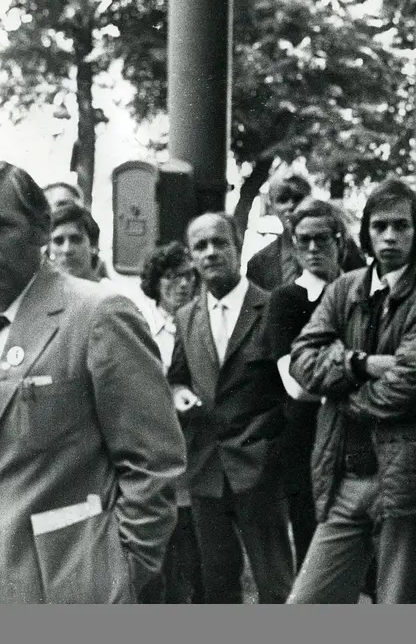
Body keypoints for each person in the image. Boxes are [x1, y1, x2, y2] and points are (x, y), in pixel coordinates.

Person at [0, 158, 186, 603]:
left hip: (77, 590)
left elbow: (153, 464)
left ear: (40, 230)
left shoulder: (97, 315)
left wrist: (125, 574)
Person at [288, 178, 416, 604]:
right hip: (344, 475)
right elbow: (302, 360)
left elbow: (409, 385)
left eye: (402, 226)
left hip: (400, 480)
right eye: (380, 226)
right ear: (366, 233)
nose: (390, 236)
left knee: (398, 606)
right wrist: (359, 364)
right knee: (307, 603)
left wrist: (341, 395)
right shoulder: (345, 289)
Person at [168, 212, 295, 604]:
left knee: (276, 584)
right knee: (218, 585)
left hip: (261, 469)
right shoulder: (187, 317)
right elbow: (177, 376)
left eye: (219, 243)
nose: (210, 253)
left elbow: (292, 391)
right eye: (200, 246)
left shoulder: (273, 308)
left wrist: (272, 450)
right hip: (206, 470)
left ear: (238, 247)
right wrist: (178, 394)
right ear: (191, 257)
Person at [264, 199, 351, 570]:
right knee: (312, 548)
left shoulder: (359, 290)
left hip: (356, 434)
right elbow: (296, 386)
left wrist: (327, 369)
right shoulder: (286, 301)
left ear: (339, 242)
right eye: (303, 241)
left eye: (322, 239)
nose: (313, 249)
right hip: (306, 439)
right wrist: (358, 370)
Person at [137, 242, 204, 604]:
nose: (182, 284)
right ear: (156, 281)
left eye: (189, 276)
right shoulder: (143, 325)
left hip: (197, 452)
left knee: (196, 557)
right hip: (155, 453)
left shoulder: (200, 318)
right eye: (172, 276)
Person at [244, 173, 366, 291]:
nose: (291, 206)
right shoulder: (259, 262)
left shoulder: (342, 246)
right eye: (282, 200)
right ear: (271, 206)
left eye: (298, 198)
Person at [48, 201, 102, 282]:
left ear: (94, 245)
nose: (67, 249)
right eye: (58, 241)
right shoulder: (40, 293)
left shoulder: (111, 292)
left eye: (76, 240)